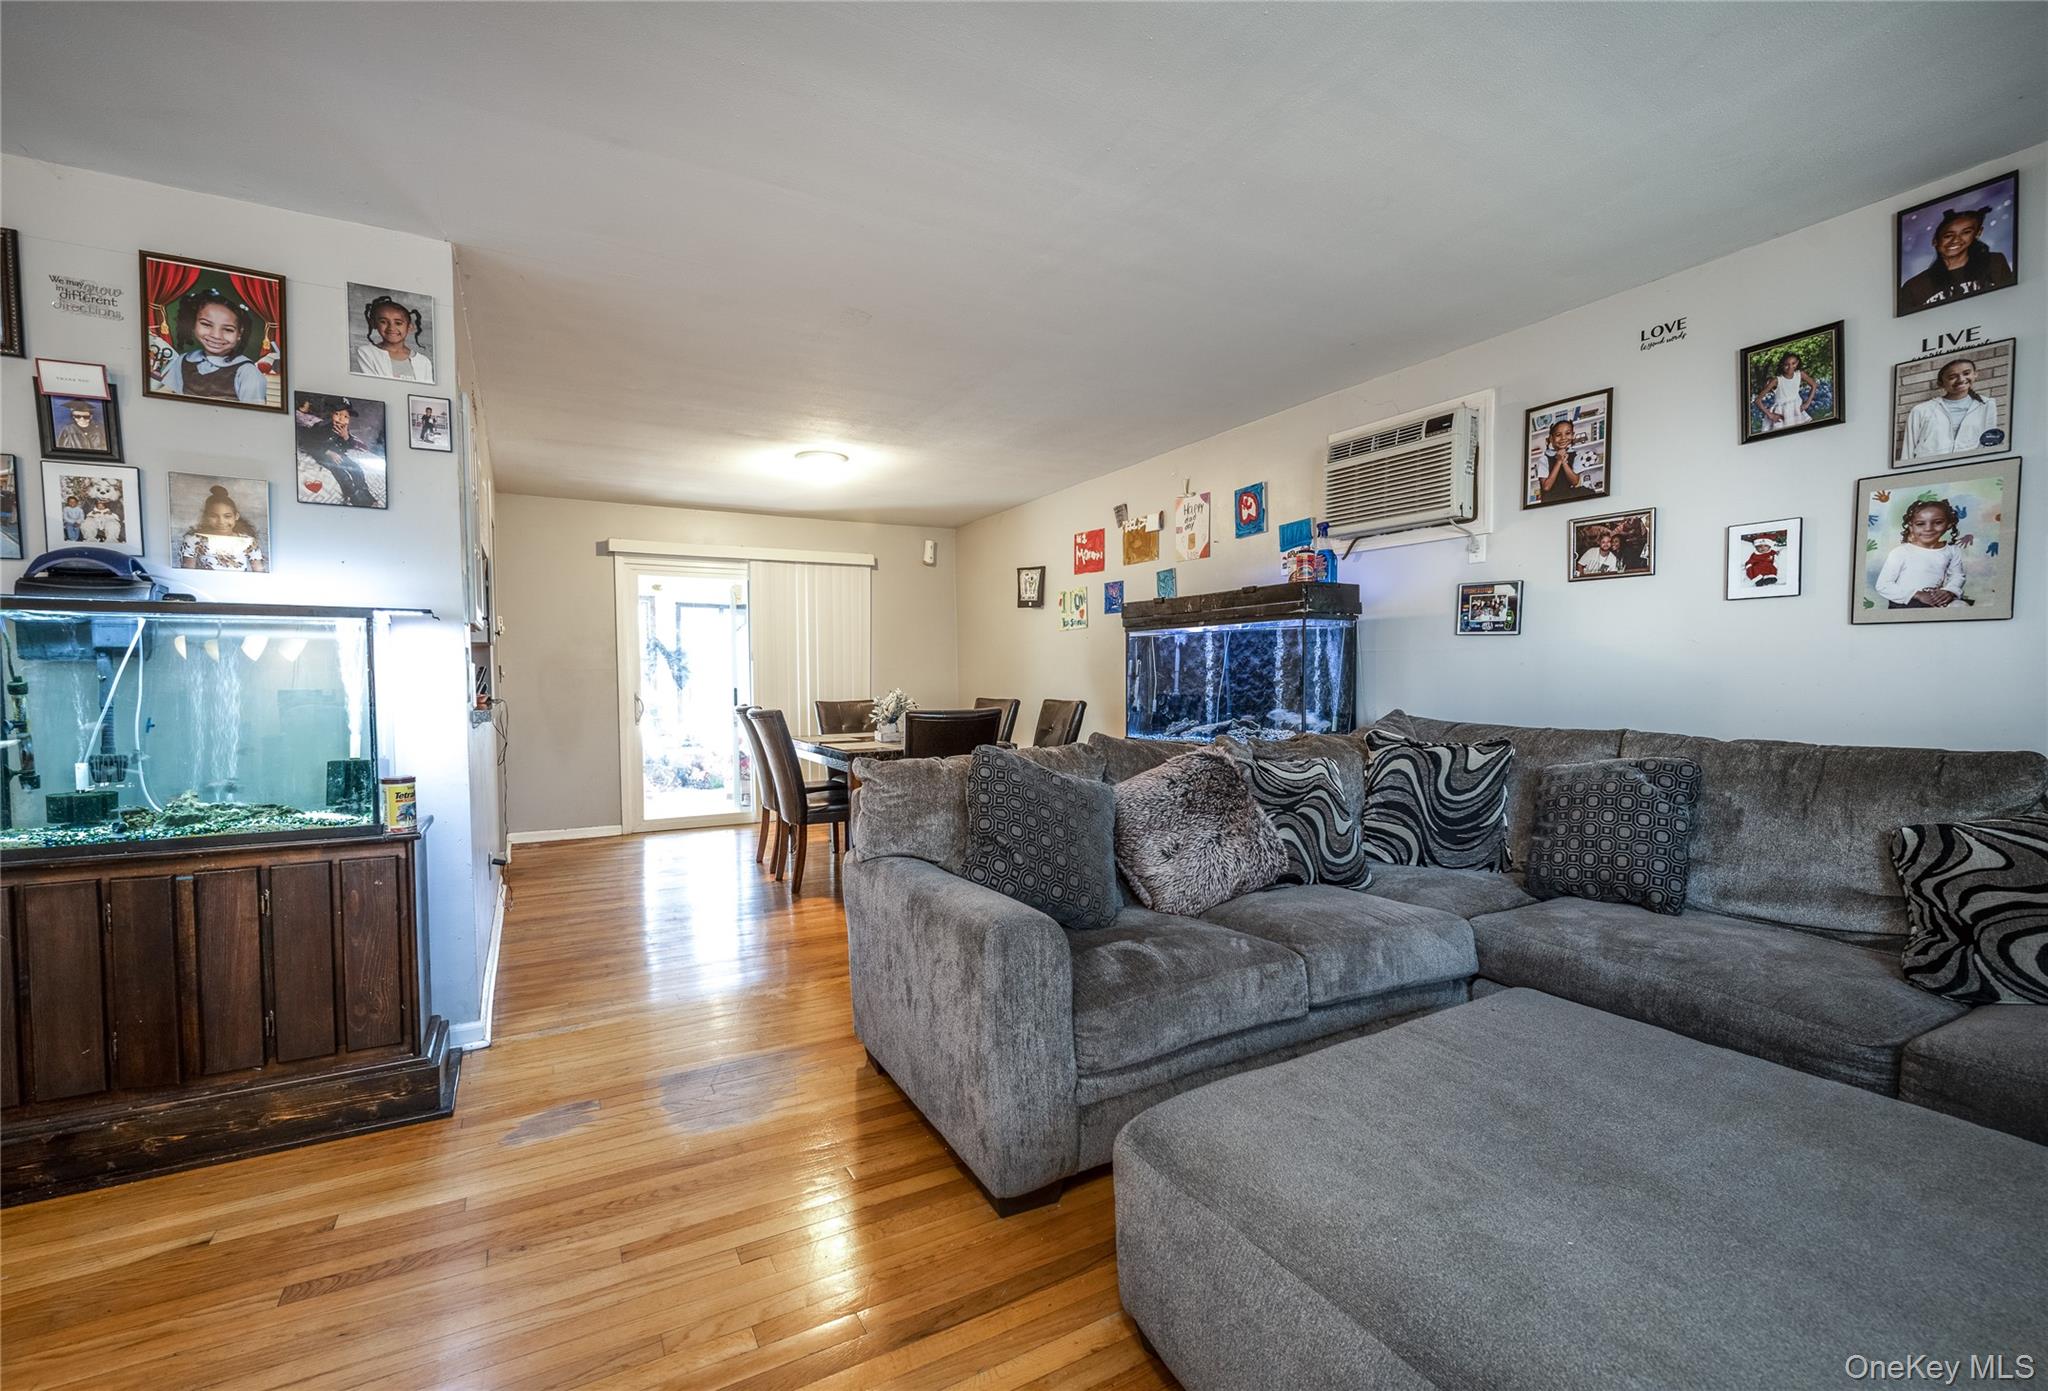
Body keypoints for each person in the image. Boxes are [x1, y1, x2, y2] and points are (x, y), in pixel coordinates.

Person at [157, 289, 270, 404]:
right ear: (192, 323)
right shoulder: (182, 361)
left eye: (228, 329)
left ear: (239, 333)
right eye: (206, 324)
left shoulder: (247, 372)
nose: (216, 335)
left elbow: (255, 417)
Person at [1899, 207, 2015, 313]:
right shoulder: (1914, 286)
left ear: (1978, 233)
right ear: (1935, 241)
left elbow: (2010, 303)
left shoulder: (1995, 262)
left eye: (1966, 232)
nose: (1956, 240)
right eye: (1948, 235)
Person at [1875, 498, 1966, 609]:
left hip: (1935, 600)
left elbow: (1957, 576)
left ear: (1949, 524)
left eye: (1938, 522)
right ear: (1911, 526)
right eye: (1920, 524)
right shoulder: (1900, 552)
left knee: (1960, 606)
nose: (1928, 528)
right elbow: (1883, 585)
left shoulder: (1952, 550)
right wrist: (1917, 595)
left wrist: (1949, 591)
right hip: (1905, 602)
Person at [1904, 357, 2000, 460]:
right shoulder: (1921, 410)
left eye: (1966, 373)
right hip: (1928, 470)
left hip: (1969, 469)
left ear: (1975, 374)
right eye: (1952, 377)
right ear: (1941, 384)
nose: (1961, 379)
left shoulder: (1987, 405)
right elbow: (1907, 451)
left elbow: (1989, 445)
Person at [296, 398, 381, 507]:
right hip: (324, 454)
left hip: (338, 454)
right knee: (342, 473)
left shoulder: (343, 429)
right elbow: (310, 444)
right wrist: (328, 452)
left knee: (356, 469)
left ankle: (365, 493)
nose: (341, 419)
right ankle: (354, 497)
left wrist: (345, 437)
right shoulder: (321, 428)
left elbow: (348, 446)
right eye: (337, 414)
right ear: (330, 415)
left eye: (346, 417)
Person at [176, 484, 268, 572]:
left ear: (236, 516)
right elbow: (187, 573)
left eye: (227, 516)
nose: (221, 521)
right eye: (214, 516)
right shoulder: (193, 540)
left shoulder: (248, 542)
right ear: (206, 517)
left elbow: (259, 573)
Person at [354, 294, 434, 382]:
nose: (391, 328)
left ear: (410, 327)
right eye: (383, 322)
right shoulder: (366, 353)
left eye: (398, 323)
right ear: (374, 324)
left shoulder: (423, 362)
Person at [1532, 418, 1602, 505]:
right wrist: (1558, 461)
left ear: (1573, 435)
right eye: (1558, 435)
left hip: (1567, 496)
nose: (1563, 438)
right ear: (1551, 438)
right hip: (1551, 499)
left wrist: (1564, 463)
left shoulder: (1575, 455)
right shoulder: (1544, 458)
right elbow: (1546, 487)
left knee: (1588, 492)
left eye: (1567, 433)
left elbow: (1575, 481)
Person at [1752, 352, 1819, 432]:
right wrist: (1770, 415)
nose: (1790, 367)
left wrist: (1807, 403)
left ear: (1797, 363)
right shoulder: (1776, 380)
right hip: (1781, 415)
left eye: (1793, 363)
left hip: (1796, 411)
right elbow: (1757, 400)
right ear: (1781, 365)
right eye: (1786, 364)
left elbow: (1814, 385)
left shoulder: (1800, 374)